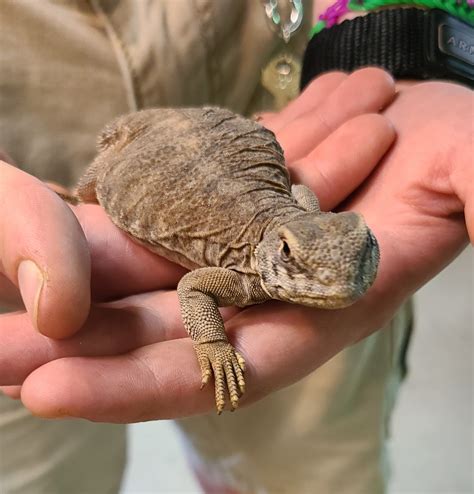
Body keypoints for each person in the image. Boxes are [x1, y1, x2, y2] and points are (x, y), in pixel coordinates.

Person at [0, 1, 472, 493]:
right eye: (297, 261)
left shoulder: (302, 224)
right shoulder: (244, 276)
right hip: (98, 143)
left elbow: (303, 205)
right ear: (277, 255)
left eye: (359, 255)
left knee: (311, 463)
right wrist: (212, 343)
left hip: (235, 88)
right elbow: (195, 287)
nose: (342, 283)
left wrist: (415, 39)